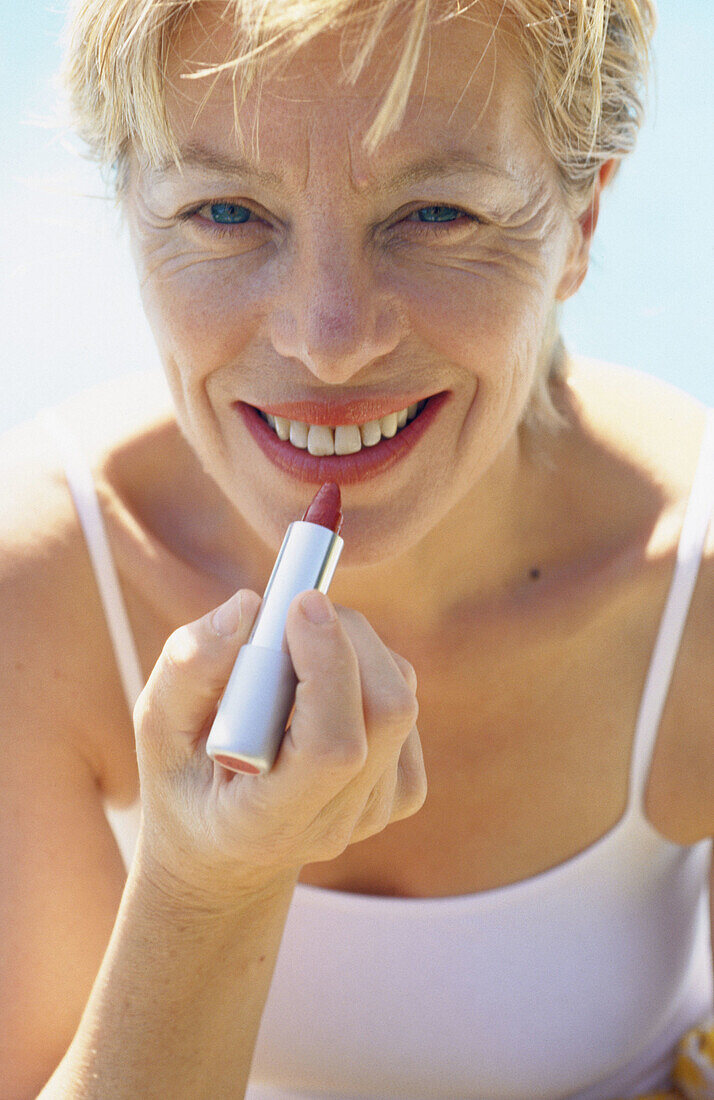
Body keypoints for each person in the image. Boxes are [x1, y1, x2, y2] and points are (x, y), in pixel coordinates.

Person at [1, 0, 712, 1097]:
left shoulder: (692, 583)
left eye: (435, 213)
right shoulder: (34, 580)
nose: (329, 339)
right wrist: (204, 883)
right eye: (227, 210)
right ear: (129, 211)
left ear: (581, 221)